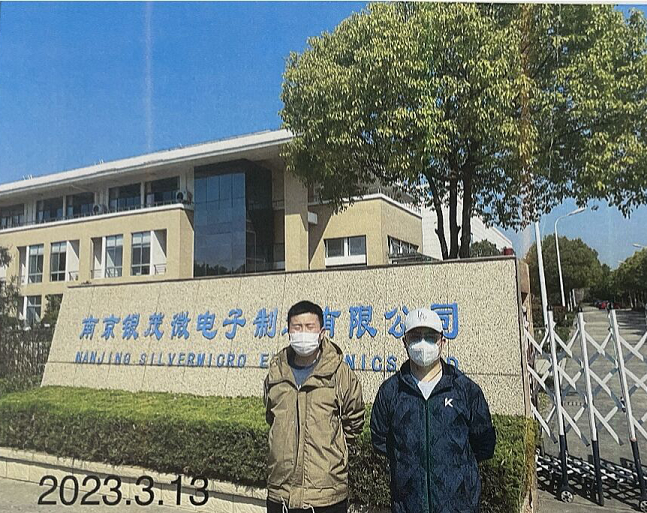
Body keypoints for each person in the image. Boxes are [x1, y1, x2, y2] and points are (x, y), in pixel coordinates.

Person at [370, 307, 496, 513]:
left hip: (459, 508)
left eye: (430, 337)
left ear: (442, 342)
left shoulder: (465, 390)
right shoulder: (391, 391)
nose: (422, 343)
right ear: (404, 342)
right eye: (415, 337)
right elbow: (380, 440)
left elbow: (484, 444)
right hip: (407, 506)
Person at [264, 300, 365, 513]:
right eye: (297, 327)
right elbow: (271, 418)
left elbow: (354, 420)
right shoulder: (276, 372)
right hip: (280, 493)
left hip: (326, 495)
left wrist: (334, 452)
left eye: (309, 327)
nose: (303, 333)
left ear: (322, 333)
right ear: (288, 332)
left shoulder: (339, 373)